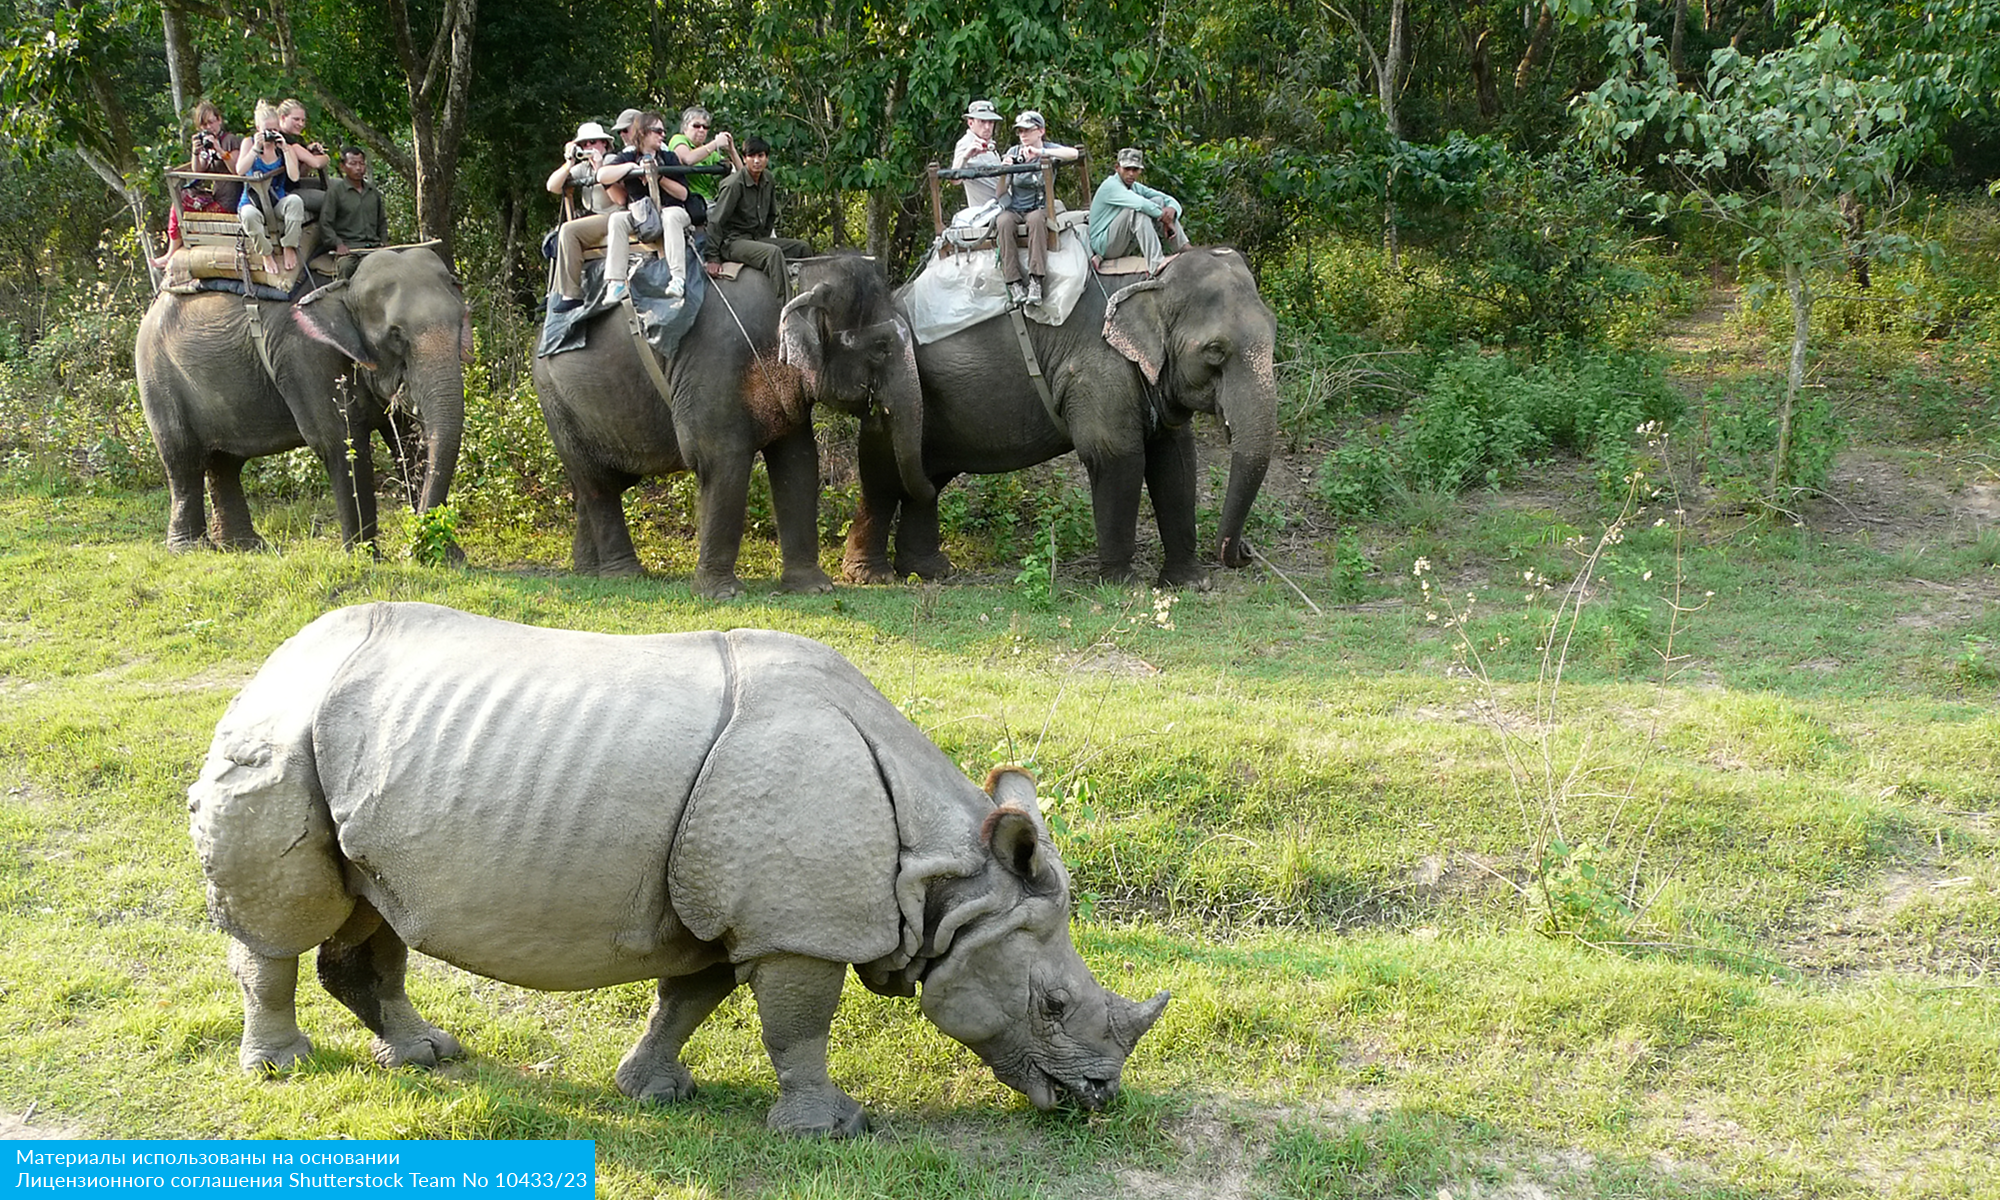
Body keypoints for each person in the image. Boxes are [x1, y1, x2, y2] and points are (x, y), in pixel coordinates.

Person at [703, 136, 811, 295]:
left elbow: (771, 215)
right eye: (751, 156)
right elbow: (715, 221)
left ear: (766, 158)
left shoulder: (768, 179)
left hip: (756, 238)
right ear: (744, 158)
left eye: (760, 156)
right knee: (772, 253)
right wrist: (713, 257)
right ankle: (787, 306)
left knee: (803, 247)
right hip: (733, 242)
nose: (756, 161)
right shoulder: (734, 184)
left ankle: (807, 296)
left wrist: (763, 239)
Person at [993, 110, 1078, 306]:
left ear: (1040, 131)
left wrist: (1041, 153)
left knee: (1037, 219)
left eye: (1028, 130)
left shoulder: (1048, 149)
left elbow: (1074, 153)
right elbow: (1000, 193)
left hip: (1039, 207)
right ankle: (1013, 281)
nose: (1023, 135)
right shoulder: (1014, 152)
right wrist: (1004, 171)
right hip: (1016, 207)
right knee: (1003, 221)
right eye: (1020, 131)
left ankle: (1036, 280)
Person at [154, 100, 239, 268]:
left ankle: (171, 253)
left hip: (228, 201)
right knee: (179, 199)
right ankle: (171, 251)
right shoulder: (205, 143)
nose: (209, 127)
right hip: (216, 196)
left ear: (219, 120)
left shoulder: (230, 140)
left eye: (211, 122)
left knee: (180, 202)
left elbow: (237, 169)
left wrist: (220, 151)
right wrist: (196, 151)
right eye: (204, 124)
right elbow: (197, 170)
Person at [1088, 147, 1191, 273]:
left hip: (1122, 241)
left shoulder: (1134, 186)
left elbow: (1166, 198)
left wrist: (1173, 210)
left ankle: (1184, 248)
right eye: (1127, 169)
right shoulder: (1111, 186)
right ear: (1117, 168)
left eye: (1135, 169)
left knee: (1158, 201)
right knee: (1136, 211)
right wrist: (1164, 218)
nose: (1131, 173)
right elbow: (1141, 204)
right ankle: (1156, 262)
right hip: (1104, 245)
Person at [235, 99, 307, 276]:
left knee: (295, 201)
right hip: (253, 201)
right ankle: (266, 254)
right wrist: (256, 149)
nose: (271, 134)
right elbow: (240, 170)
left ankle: (289, 246)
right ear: (258, 128)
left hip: (277, 200)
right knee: (248, 215)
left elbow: (294, 176)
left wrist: (285, 149)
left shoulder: (283, 146)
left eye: (274, 130)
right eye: (267, 130)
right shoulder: (248, 143)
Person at [665, 106, 739, 205]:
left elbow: (742, 173)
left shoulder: (710, 153)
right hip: (687, 202)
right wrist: (715, 144)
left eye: (705, 127)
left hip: (709, 201)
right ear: (685, 127)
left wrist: (732, 150)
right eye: (696, 126)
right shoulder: (678, 139)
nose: (701, 130)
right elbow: (688, 159)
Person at [544, 120, 617, 217]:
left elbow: (619, 197)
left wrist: (599, 166)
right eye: (583, 144)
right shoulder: (584, 167)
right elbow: (552, 187)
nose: (588, 146)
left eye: (592, 142)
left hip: (613, 216)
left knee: (568, 229)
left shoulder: (612, 160)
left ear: (604, 142)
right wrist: (569, 163)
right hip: (592, 217)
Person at [324, 147, 389, 253]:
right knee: (346, 267)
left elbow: (382, 221)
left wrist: (384, 241)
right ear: (343, 167)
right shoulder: (335, 192)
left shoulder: (373, 192)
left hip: (374, 246)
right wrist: (338, 244)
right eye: (353, 164)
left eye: (362, 164)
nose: (358, 168)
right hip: (351, 247)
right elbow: (326, 224)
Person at [276, 99, 331, 218]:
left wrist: (310, 152)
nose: (300, 124)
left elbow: (302, 174)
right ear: (283, 118)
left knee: (342, 185)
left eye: (303, 120)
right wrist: (325, 157)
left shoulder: (296, 138)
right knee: (335, 200)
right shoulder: (285, 140)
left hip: (295, 184)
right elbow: (316, 163)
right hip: (285, 192)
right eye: (296, 119)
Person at [951, 98, 1003, 210]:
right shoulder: (965, 143)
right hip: (986, 213)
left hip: (1003, 207)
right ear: (970, 123)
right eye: (982, 121)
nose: (987, 127)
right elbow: (955, 180)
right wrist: (966, 156)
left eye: (991, 122)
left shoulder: (990, 145)